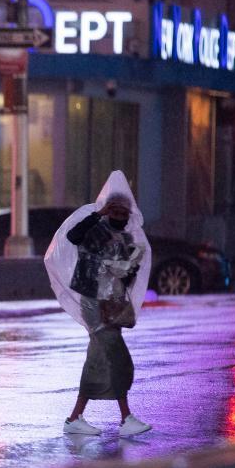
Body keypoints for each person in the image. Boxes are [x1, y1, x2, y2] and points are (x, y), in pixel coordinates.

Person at [44, 170, 153, 438]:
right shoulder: (93, 229)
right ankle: (124, 418)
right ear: (106, 209)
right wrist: (99, 214)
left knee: (99, 361)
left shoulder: (128, 239)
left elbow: (128, 275)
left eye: (122, 211)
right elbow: (72, 237)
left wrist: (125, 269)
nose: (118, 216)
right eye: (113, 210)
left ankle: (76, 418)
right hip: (94, 304)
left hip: (111, 307)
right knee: (116, 358)